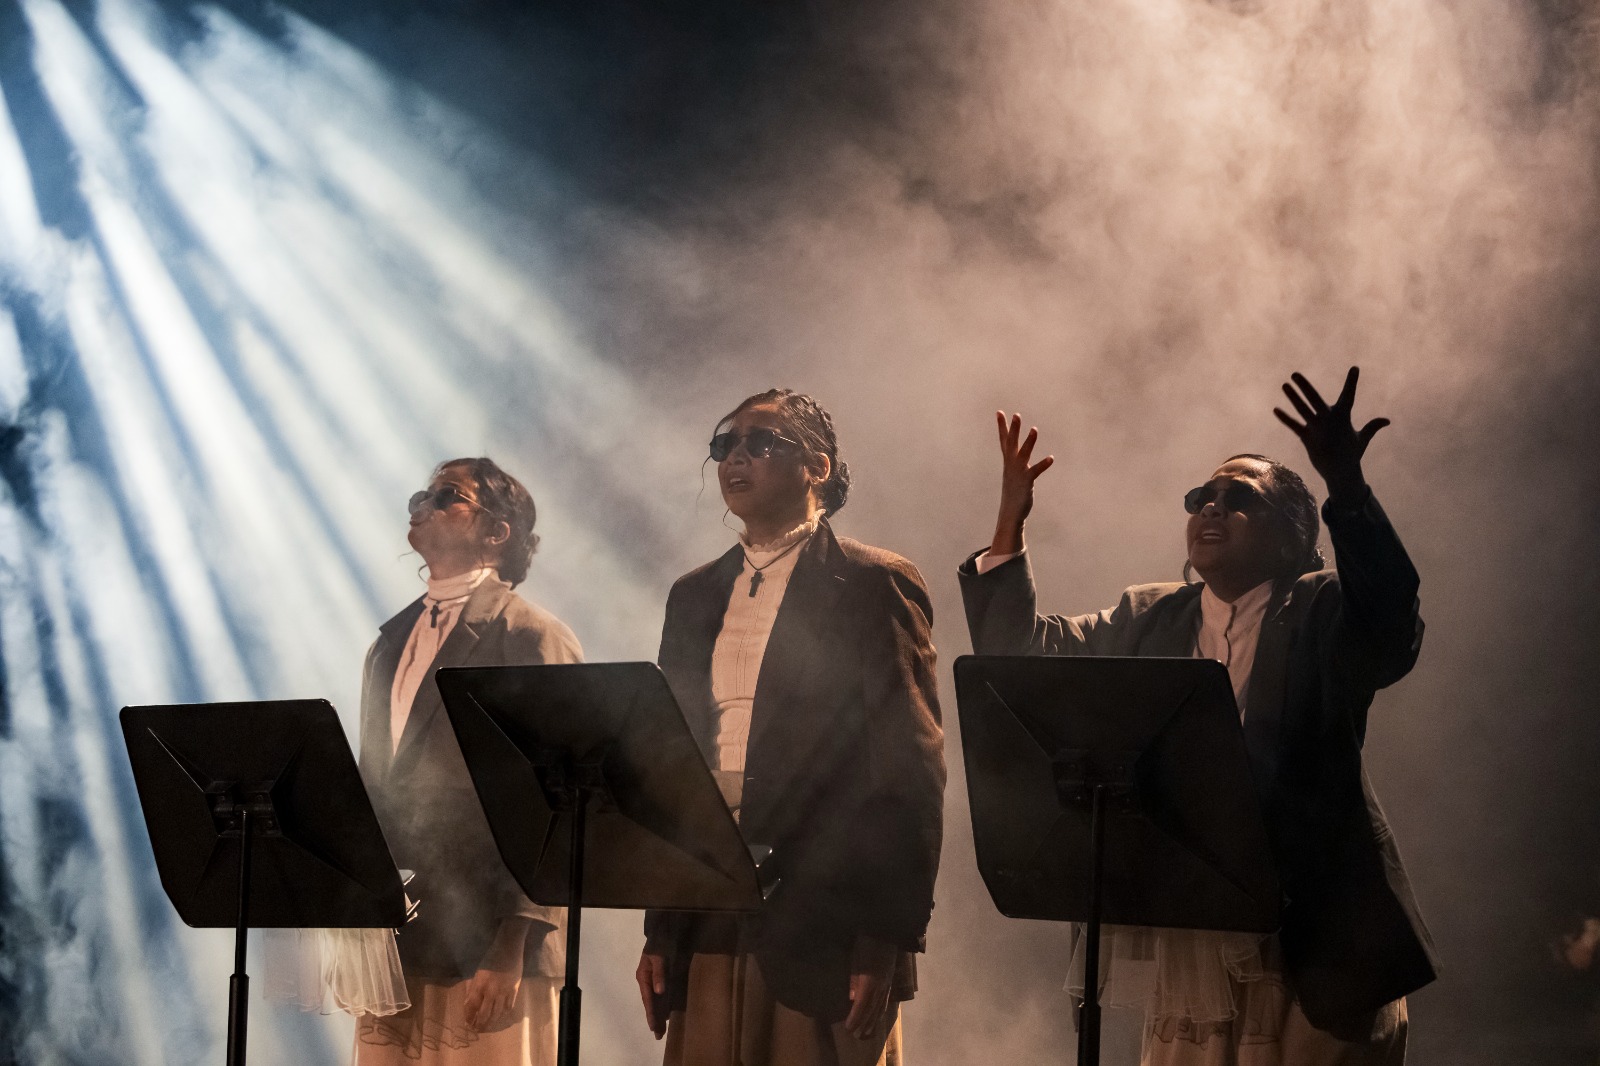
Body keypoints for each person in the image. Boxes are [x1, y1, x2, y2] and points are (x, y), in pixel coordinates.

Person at [959, 369, 1438, 1065]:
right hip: (1196, 916)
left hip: (1315, 932)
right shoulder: (1149, 614)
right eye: (1200, 497)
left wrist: (1347, 485)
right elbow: (1020, 655)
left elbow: (1392, 625)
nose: (1212, 508)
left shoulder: (1321, 609)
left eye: (1239, 498)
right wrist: (1010, 519)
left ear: (1290, 536)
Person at [635, 389, 946, 1066]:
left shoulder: (872, 583)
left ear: (818, 468)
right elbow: (672, 765)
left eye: (761, 442)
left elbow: (909, 769)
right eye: (725, 444)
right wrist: (661, 927)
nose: (736, 456)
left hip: (828, 915)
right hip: (711, 903)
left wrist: (883, 937)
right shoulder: (693, 595)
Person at [355, 457, 582, 1065]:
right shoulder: (388, 644)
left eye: (446, 495)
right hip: (405, 936)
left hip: (493, 939)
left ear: (496, 531)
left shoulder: (531, 636)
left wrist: (513, 941)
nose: (421, 505)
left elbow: (558, 801)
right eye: (420, 494)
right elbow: (375, 786)